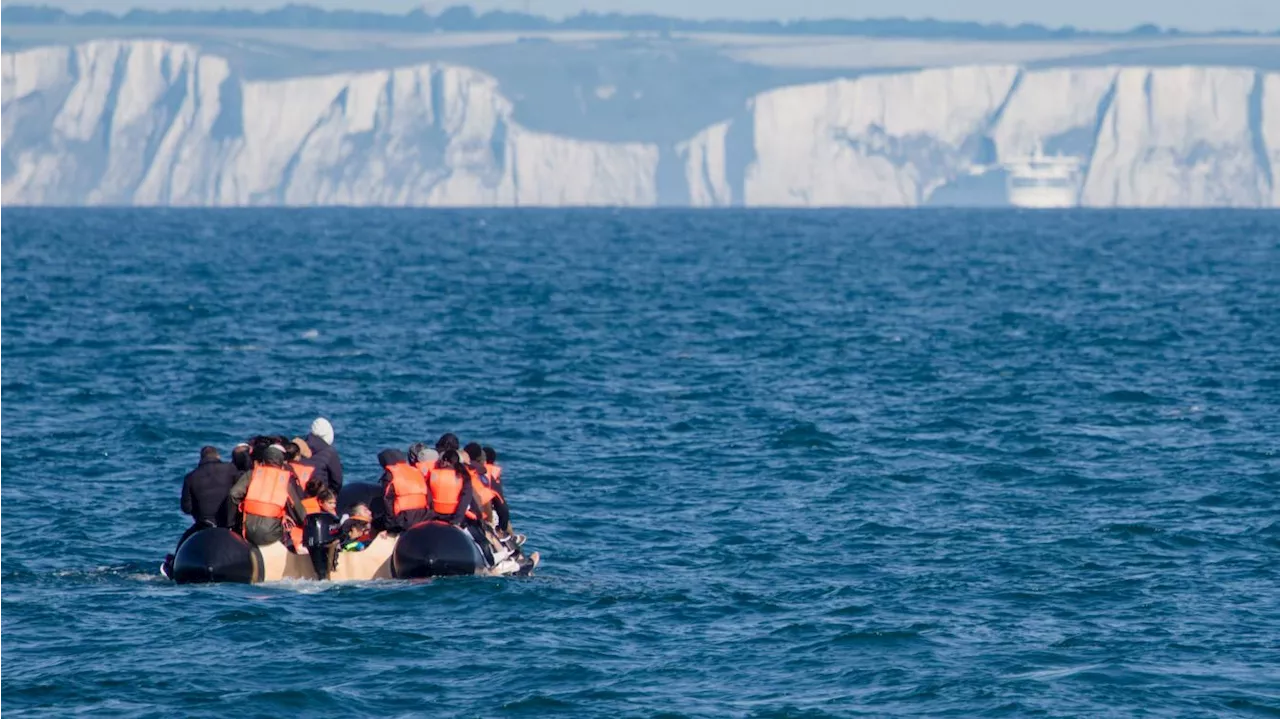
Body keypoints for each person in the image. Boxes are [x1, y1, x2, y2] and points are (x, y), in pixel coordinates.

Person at [228, 443, 307, 547]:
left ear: (263, 461)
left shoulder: (252, 474)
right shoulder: (284, 480)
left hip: (248, 531)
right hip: (271, 535)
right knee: (290, 540)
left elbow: (233, 494)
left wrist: (242, 507)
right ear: (281, 463)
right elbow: (299, 512)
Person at [463, 442, 510, 535]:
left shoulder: (460, 468)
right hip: (477, 516)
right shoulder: (487, 474)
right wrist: (502, 528)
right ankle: (504, 536)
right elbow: (502, 507)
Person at [379, 448, 430, 533]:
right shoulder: (416, 471)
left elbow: (388, 500)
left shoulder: (390, 475)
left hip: (404, 519)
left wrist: (390, 525)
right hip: (424, 515)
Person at [425, 449, 480, 527]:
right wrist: (457, 521)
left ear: (445, 460)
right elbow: (465, 500)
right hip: (454, 518)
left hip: (434, 517)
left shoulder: (432, 475)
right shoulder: (464, 476)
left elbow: (428, 498)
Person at [304, 417, 343, 494]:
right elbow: (337, 482)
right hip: (319, 495)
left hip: (299, 493)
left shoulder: (301, 447)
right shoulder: (330, 452)